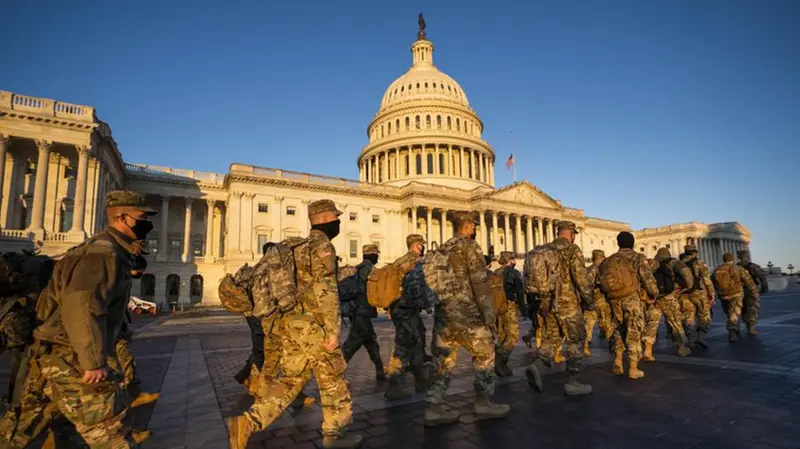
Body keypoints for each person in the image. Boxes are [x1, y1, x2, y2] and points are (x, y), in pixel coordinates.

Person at [0, 190, 158, 448]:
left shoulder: (99, 249)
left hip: (51, 353)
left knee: (22, 430)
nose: (147, 224)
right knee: (111, 436)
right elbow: (82, 306)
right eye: (141, 217)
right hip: (72, 359)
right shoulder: (102, 254)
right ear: (121, 218)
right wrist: (93, 362)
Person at [226, 199, 362, 449]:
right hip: (314, 326)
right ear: (324, 219)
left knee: (290, 380)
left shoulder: (291, 246)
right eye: (336, 216)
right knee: (334, 377)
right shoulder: (323, 246)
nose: (339, 221)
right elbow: (326, 291)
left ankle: (247, 423)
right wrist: (332, 331)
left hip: (290, 323)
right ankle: (336, 435)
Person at [425, 211, 509, 427]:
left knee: (443, 359)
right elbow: (480, 282)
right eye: (474, 226)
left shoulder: (440, 250)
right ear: (469, 226)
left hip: (444, 312)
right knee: (485, 352)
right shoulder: (469, 246)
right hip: (467, 312)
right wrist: (489, 313)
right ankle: (483, 402)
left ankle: (434, 408)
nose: (474, 230)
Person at [525, 221, 593, 396]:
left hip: (547, 303)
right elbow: (581, 278)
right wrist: (589, 300)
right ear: (570, 233)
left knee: (552, 337)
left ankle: (537, 366)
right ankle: (573, 381)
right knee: (575, 339)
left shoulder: (543, 249)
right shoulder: (571, 249)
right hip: (568, 302)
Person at [599, 231, 659, 379]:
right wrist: (654, 294)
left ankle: (618, 359)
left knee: (618, 329)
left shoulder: (607, 261)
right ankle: (633, 368)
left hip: (614, 300)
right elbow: (647, 278)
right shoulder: (637, 258)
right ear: (632, 243)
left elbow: (599, 283)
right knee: (633, 330)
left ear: (618, 243)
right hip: (631, 298)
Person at [384, 234, 430, 400]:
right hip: (406, 308)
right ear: (417, 245)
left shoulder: (399, 261)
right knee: (403, 346)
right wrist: (426, 302)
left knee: (416, 342)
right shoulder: (414, 262)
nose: (423, 248)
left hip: (401, 308)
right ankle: (393, 385)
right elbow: (416, 287)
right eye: (421, 245)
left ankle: (420, 380)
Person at [341, 244, 385, 380]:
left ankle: (380, 370)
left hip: (356, 311)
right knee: (352, 344)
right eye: (376, 254)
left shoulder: (356, 269)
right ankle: (335, 372)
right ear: (373, 255)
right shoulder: (371, 270)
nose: (378, 257)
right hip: (363, 311)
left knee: (371, 341)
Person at [643, 248, 693, 360]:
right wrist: (687, 287)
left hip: (654, 298)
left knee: (652, 323)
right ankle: (681, 348)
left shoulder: (652, 264)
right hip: (668, 297)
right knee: (675, 322)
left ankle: (648, 350)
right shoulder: (673, 262)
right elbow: (686, 273)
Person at [712, 253, 758, 343]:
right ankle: (732, 332)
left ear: (724, 259)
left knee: (729, 313)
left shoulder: (717, 269)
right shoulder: (738, 268)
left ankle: (736, 329)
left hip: (723, 295)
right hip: (736, 294)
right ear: (732, 259)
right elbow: (748, 281)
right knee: (734, 313)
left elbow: (711, 282)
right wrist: (754, 292)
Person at [679, 245, 715, 348]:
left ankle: (691, 339)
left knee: (687, 317)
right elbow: (706, 279)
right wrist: (711, 293)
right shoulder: (699, 262)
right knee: (704, 315)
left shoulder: (679, 263)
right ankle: (701, 336)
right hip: (699, 293)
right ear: (694, 252)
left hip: (684, 294)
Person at [494, 251, 523, 377]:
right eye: (513, 259)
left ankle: (502, 365)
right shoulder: (513, 273)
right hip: (509, 307)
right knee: (512, 337)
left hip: (497, 308)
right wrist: (523, 308)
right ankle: (499, 359)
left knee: (502, 336)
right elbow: (520, 292)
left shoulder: (495, 273)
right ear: (510, 260)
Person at [583, 250, 612, 357]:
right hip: (602, 300)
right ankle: (612, 346)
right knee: (608, 324)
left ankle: (586, 346)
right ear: (602, 257)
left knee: (588, 325)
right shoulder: (603, 269)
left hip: (589, 301)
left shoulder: (587, 270)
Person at [736, 250, 768, 335]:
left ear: (738, 257)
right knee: (752, 309)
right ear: (747, 256)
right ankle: (750, 328)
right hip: (751, 290)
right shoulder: (753, 266)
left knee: (739, 309)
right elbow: (762, 278)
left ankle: (736, 329)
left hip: (738, 291)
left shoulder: (735, 267)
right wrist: (764, 288)